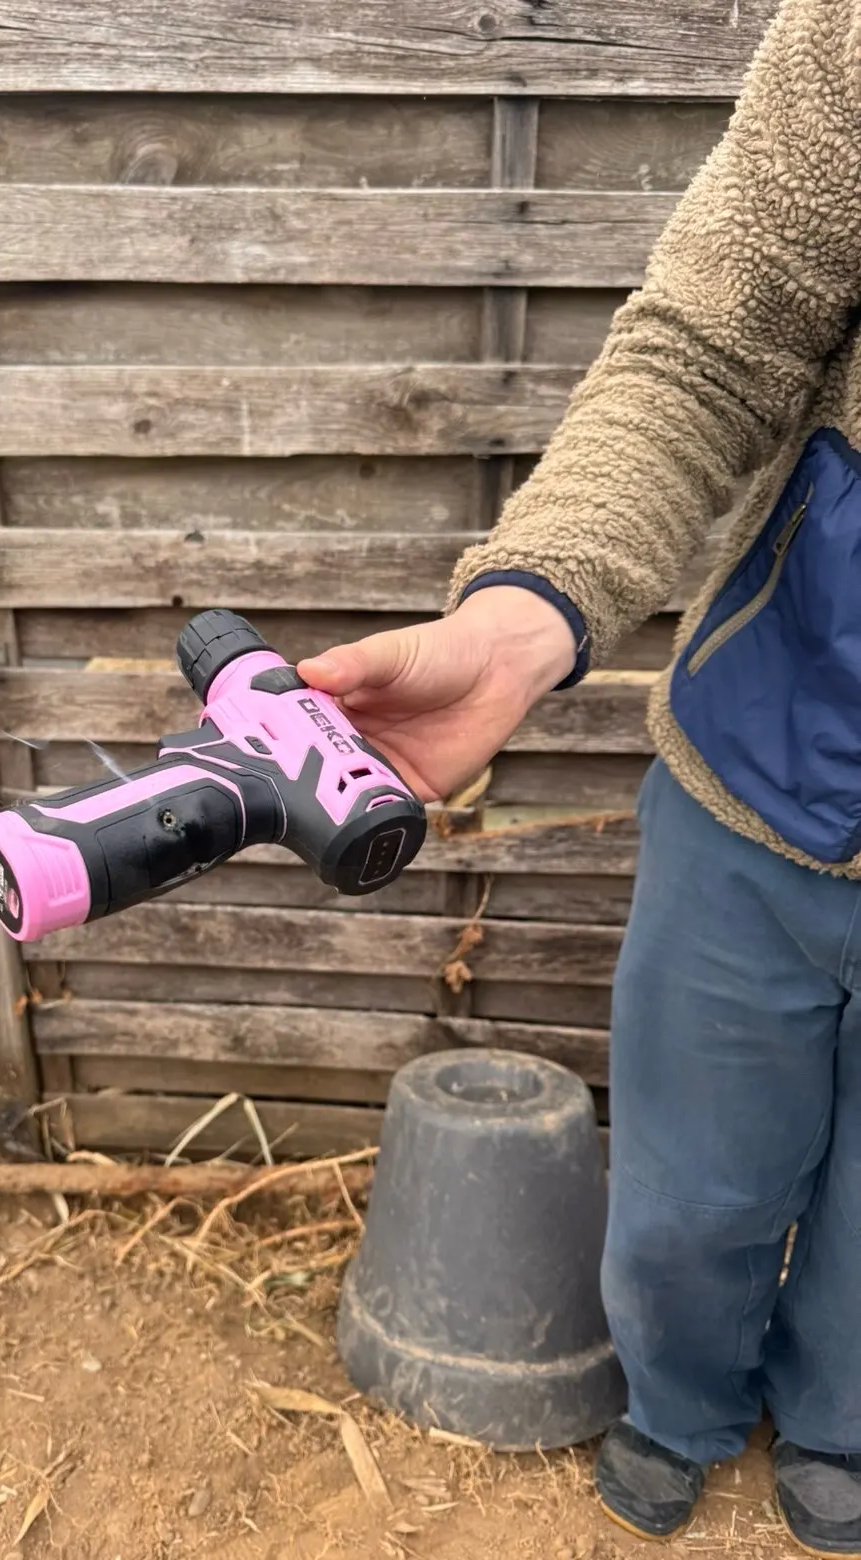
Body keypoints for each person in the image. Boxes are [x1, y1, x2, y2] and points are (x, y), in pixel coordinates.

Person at [296, 0, 861, 1552]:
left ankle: (836, 1421)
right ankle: (676, 1406)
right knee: (688, 1193)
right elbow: (709, 345)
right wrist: (527, 609)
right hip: (758, 773)